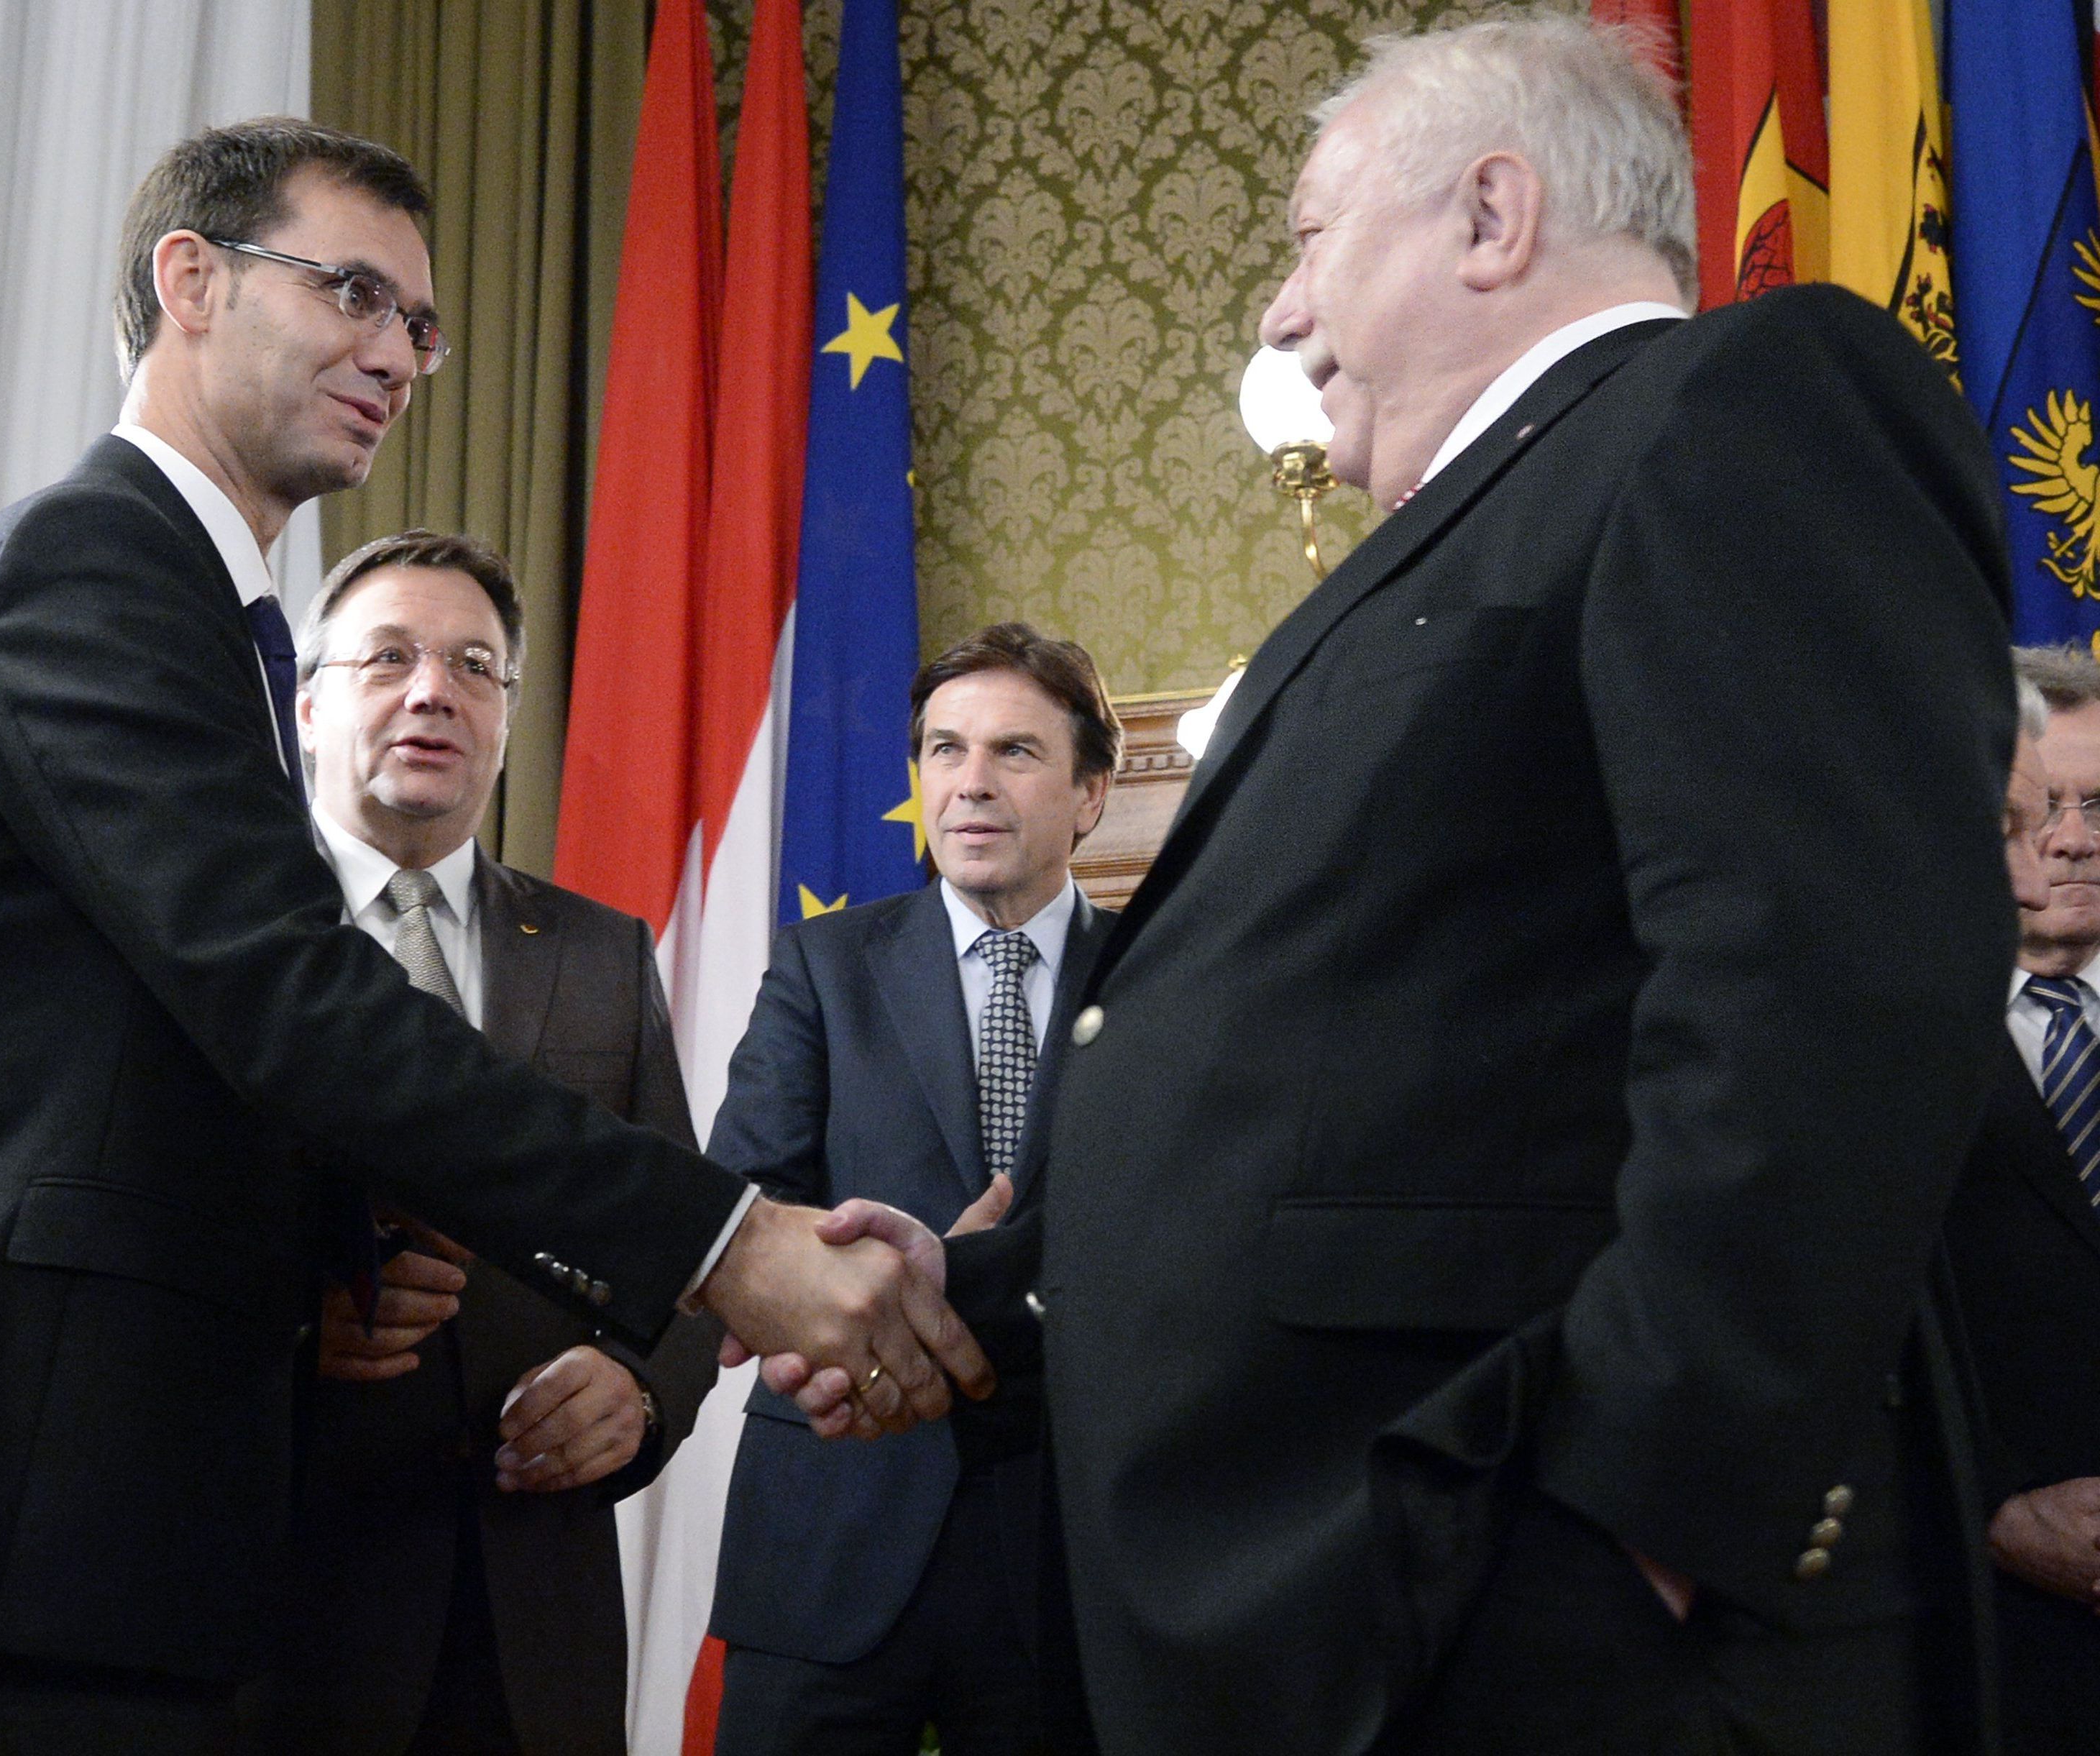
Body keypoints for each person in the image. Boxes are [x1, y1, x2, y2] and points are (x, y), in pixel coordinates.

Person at [781, 18, 2017, 1754]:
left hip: (1538, 1628)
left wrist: (1635, 1528)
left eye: (1304, 237)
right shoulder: (1471, 532)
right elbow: (1392, 1094)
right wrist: (971, 1300)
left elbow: (1828, 985)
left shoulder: (1727, 406)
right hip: (1324, 1611)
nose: (1281, 317)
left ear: (1491, 216)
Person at [0, 117, 981, 1753]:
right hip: (17, 1504)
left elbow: (165, 1044)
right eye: (353, 292)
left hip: (125, 1527)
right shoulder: (94, 565)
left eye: (419, 323)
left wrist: (336, 1256)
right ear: (190, 281)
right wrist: (734, 1246)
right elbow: (290, 1000)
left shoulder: (197, 609)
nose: (398, 353)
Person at [221, 529, 717, 1755]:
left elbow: (693, 1256)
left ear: (505, 712)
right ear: (309, 699)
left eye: (473, 665)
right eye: (388, 657)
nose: (432, 689)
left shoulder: (602, 952)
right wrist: (290, 1326)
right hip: (267, 1610)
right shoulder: (222, 937)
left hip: (532, 1620)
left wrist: (642, 1390)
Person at [706, 626, 1120, 1756]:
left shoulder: (1163, 970)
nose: (970, 783)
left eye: (1015, 753)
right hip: (833, 1520)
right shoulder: (821, 965)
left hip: (1065, 1539)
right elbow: (742, 1209)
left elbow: (1182, 1223)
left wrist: (984, 1273)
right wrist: (923, 1262)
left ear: (1090, 792)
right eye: (944, 749)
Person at [1945, 649, 2100, 1756]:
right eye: (2045, 807)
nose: (2073, 838)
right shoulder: (1873, 1040)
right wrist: (1991, 1510)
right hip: (1977, 1645)